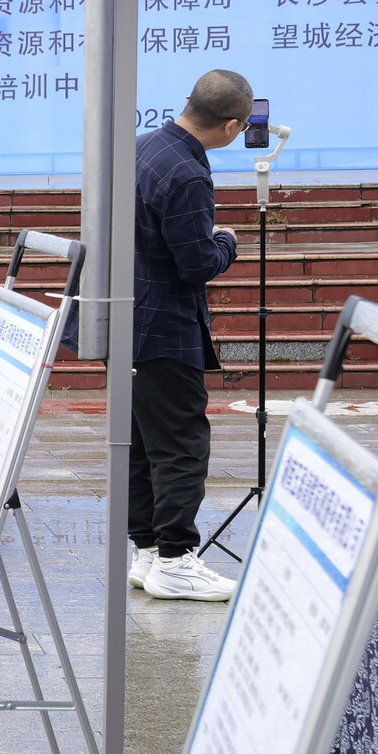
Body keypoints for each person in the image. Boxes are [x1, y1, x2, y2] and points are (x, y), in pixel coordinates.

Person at [126, 68, 251, 602]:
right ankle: (176, 560)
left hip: (127, 318)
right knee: (181, 444)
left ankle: (148, 551)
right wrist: (226, 242)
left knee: (140, 442)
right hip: (164, 326)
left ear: (188, 101)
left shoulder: (142, 146)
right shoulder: (188, 173)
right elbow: (196, 263)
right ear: (232, 126)